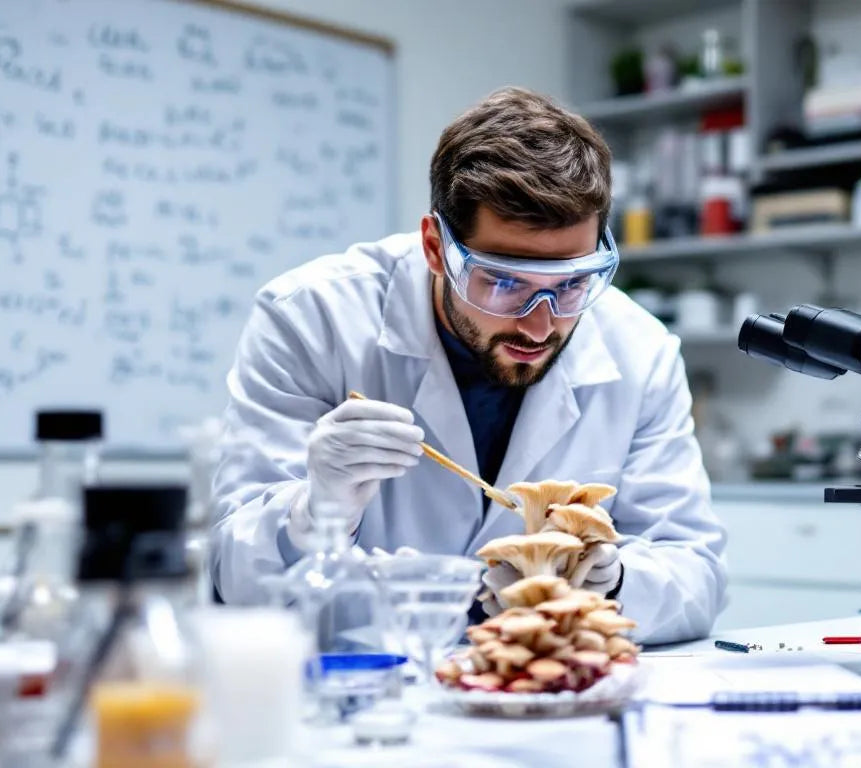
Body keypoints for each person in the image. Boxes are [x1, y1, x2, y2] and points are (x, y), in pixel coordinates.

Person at [210, 87, 727, 644]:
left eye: (574, 283)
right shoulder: (311, 319)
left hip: (544, 699)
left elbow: (695, 573)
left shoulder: (640, 350)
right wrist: (315, 512)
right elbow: (233, 579)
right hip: (368, 695)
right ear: (436, 247)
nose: (540, 323)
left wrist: (614, 581)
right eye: (504, 283)